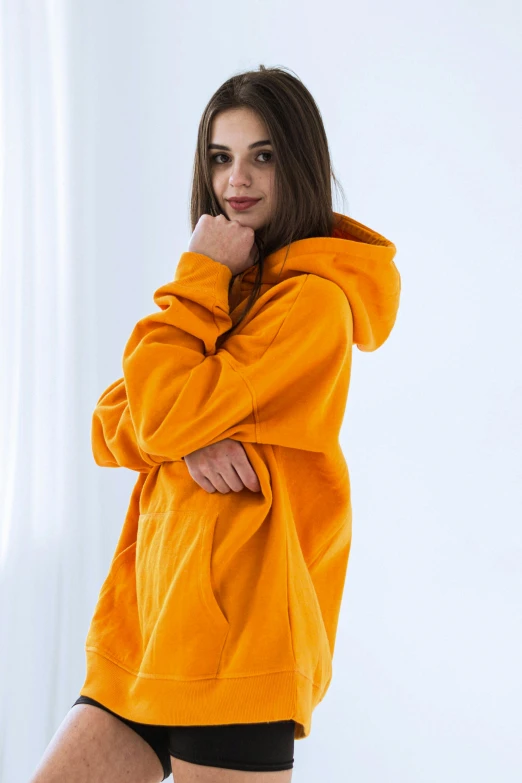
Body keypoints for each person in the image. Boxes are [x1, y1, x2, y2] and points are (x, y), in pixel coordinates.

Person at [30, 64, 401, 783]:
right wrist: (190, 432)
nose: (238, 179)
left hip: (237, 647)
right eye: (221, 157)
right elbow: (113, 420)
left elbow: (156, 414)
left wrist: (196, 284)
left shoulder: (311, 306)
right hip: (149, 637)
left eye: (263, 155)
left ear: (300, 163)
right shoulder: (223, 286)